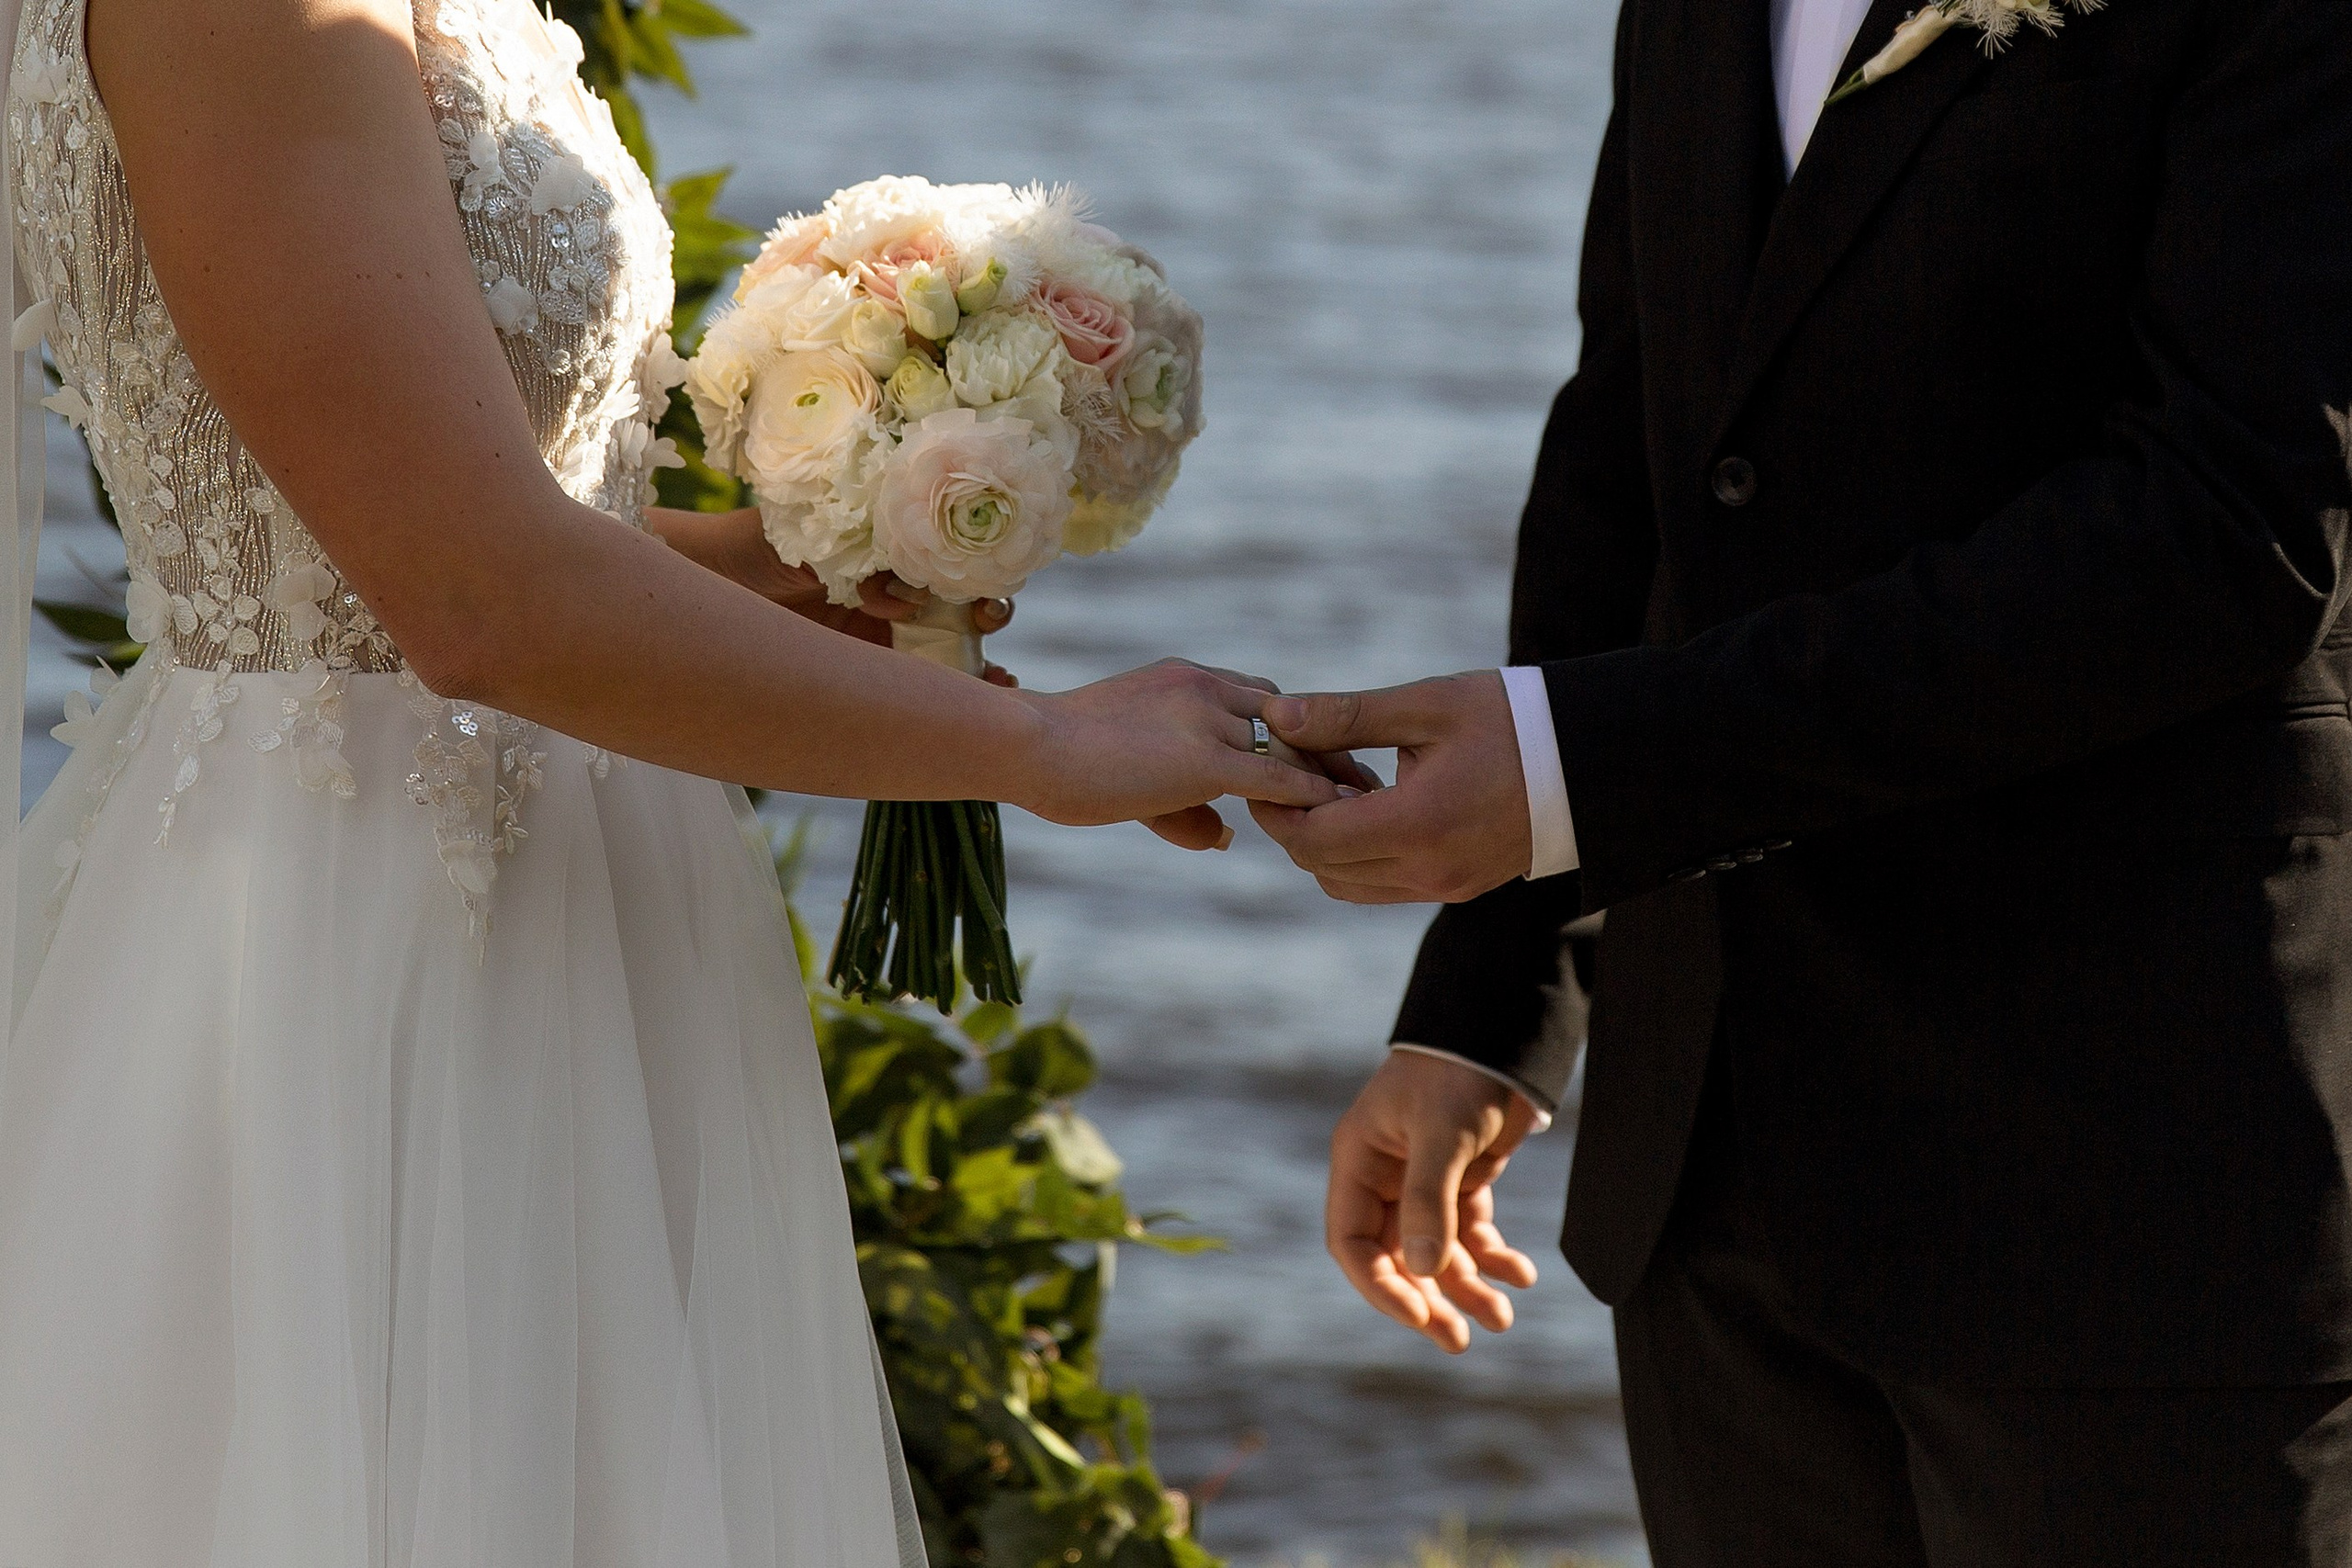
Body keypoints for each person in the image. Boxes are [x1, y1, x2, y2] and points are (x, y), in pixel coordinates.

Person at [0, 0, 1330, 1559]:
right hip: (356, 958)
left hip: (580, 928)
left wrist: (796, 561)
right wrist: (1046, 752)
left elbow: (457, 506)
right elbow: (469, 599)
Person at [1255, 0, 2352, 1560]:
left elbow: (2230, 532)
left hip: (2129, 1168)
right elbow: (1642, 446)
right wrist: (1494, 994)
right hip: (1717, 1166)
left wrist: (1591, 769)